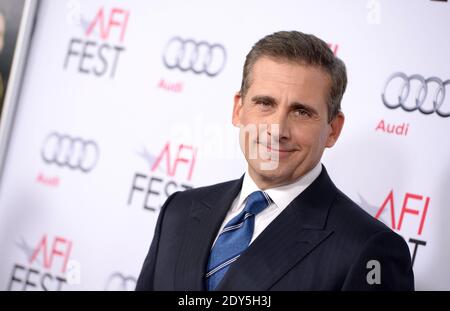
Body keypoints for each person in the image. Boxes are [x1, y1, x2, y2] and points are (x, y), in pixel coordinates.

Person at [136, 30, 414, 291]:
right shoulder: (180, 211)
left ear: (333, 129)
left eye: (301, 112)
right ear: (238, 109)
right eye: (265, 103)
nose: (277, 129)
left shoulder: (369, 249)